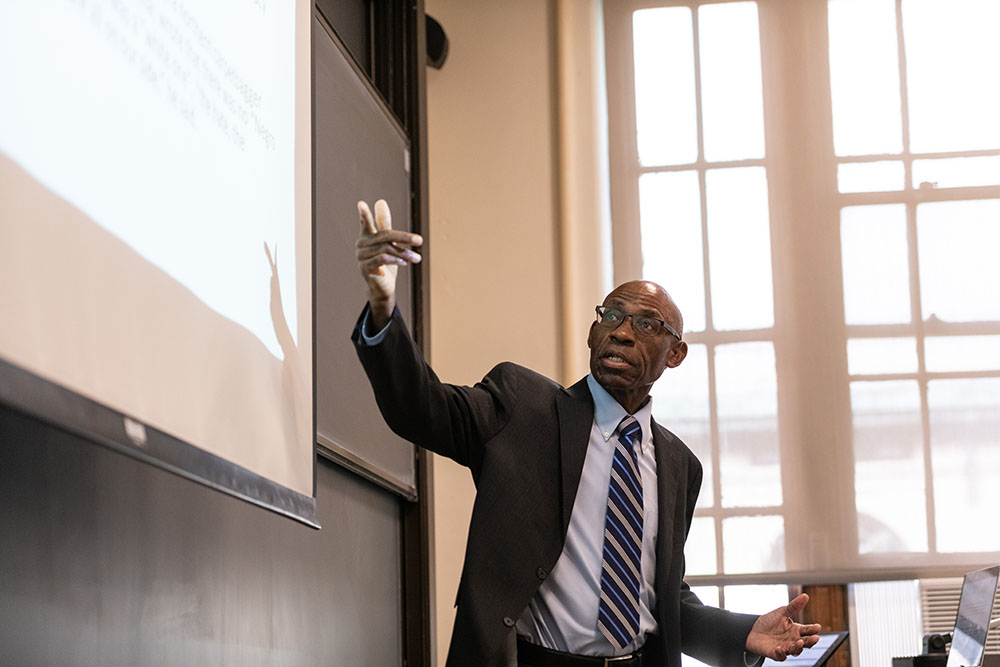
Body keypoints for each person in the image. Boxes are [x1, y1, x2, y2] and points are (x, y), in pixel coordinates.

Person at [352, 199, 821, 667]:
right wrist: (383, 312)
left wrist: (744, 632)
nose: (621, 332)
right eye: (611, 316)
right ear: (592, 333)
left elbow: (663, 598)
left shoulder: (680, 466)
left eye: (645, 324)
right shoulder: (523, 407)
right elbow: (419, 408)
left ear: (675, 354)